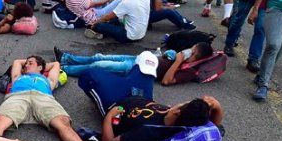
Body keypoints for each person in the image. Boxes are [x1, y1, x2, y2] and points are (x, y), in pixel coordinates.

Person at [0, 56, 121, 141]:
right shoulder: (17, 77)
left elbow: (56, 64)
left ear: (40, 67)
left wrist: (40, 64)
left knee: (63, 122)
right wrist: (32, 63)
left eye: (30, 63)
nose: (26, 65)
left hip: (43, 98)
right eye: (26, 63)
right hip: (18, 97)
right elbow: (17, 62)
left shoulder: (48, 80)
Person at [57, 44, 213, 85]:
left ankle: (63, 68)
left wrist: (178, 61)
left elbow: (167, 81)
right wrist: (172, 54)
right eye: (191, 49)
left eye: (192, 54)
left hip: (138, 69)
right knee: (99, 57)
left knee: (99, 65)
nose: (189, 53)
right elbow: (168, 55)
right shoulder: (184, 57)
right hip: (139, 58)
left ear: (198, 59)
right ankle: (66, 58)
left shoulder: (189, 71)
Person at [84, 0, 150, 44]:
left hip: (128, 37)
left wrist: (95, 23)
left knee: (100, 25)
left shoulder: (126, 2)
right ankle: (105, 32)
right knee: (115, 18)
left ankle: (99, 31)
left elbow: (106, 18)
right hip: (141, 35)